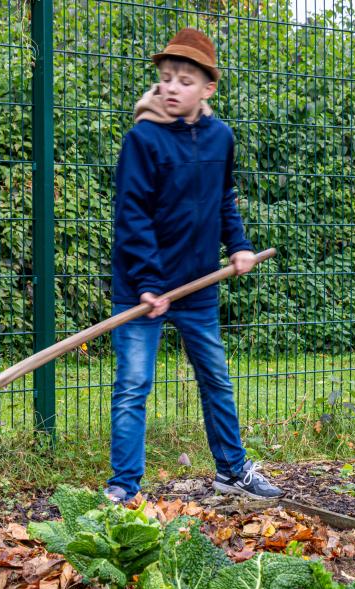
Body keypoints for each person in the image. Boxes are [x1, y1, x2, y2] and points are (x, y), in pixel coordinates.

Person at [105, 27, 283, 504]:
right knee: (133, 386)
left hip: (199, 285)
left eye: (185, 79)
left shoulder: (220, 137)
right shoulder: (143, 139)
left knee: (215, 378)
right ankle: (123, 487)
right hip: (143, 289)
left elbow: (223, 198)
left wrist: (238, 245)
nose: (171, 87)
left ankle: (232, 470)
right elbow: (132, 215)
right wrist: (147, 284)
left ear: (208, 88)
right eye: (166, 77)